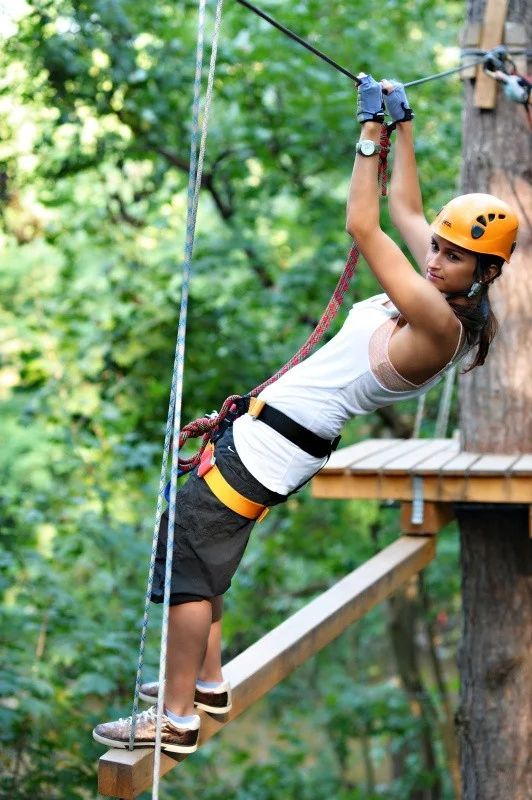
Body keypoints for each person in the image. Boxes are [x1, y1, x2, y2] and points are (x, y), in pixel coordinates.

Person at [93, 75, 519, 753]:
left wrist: (368, 135)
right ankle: (204, 681)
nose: (436, 259)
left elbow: (363, 223)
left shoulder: (438, 321)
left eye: (455, 256)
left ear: (485, 272)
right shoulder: (438, 286)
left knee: (188, 569)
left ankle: (173, 719)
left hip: (272, 448)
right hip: (270, 438)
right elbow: (406, 208)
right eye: (438, 247)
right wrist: (403, 122)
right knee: (202, 557)